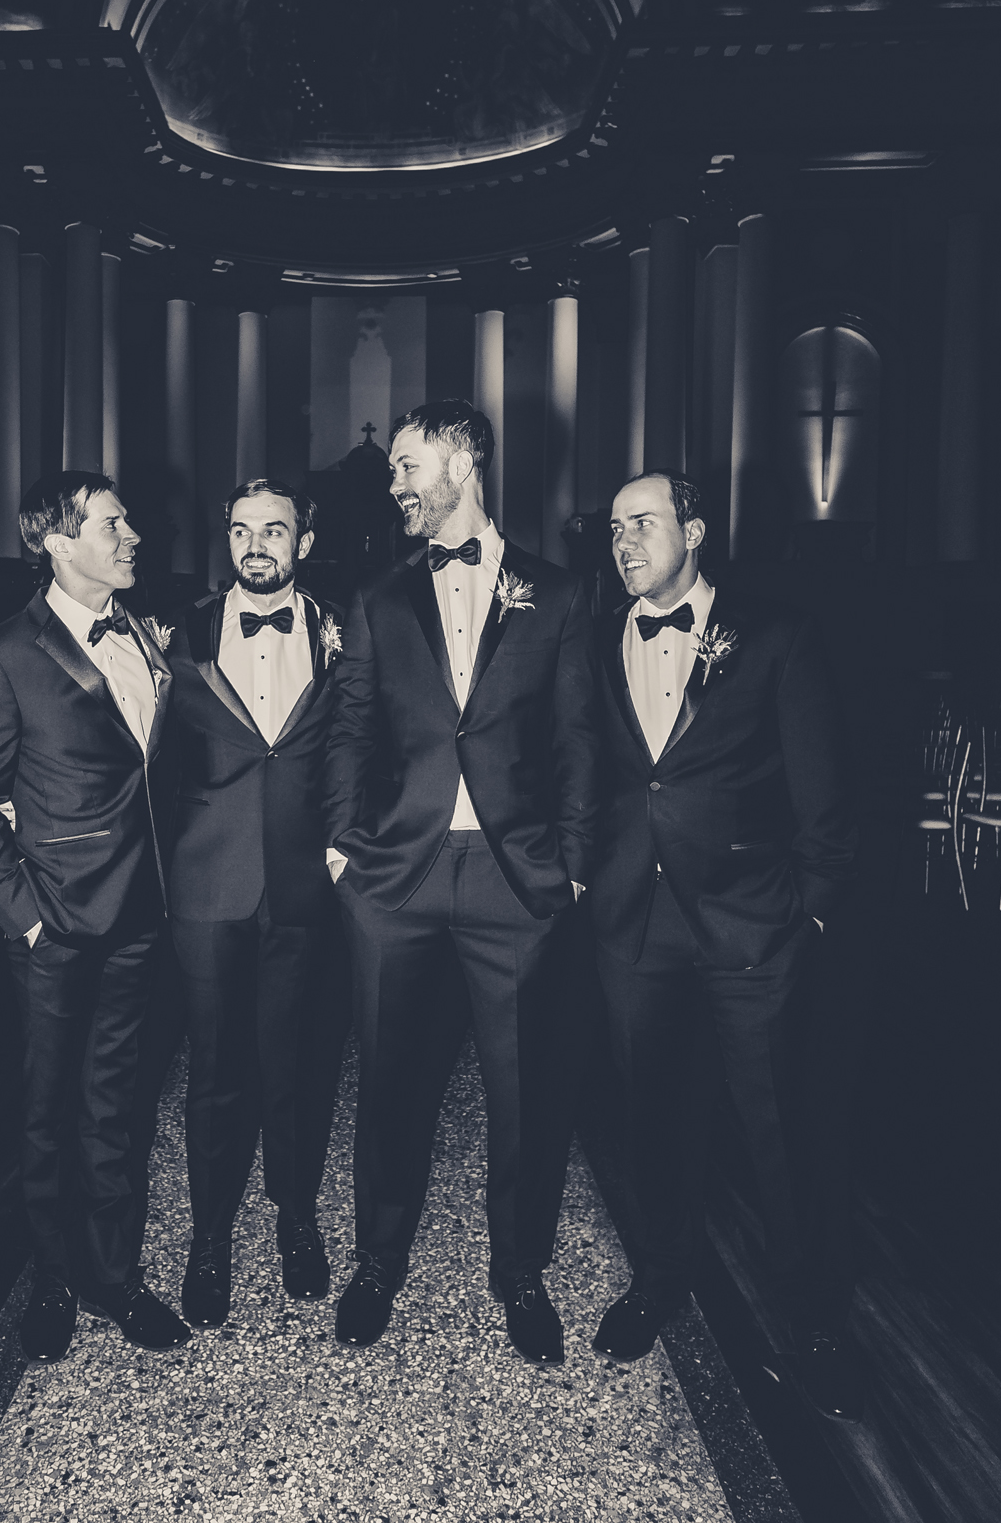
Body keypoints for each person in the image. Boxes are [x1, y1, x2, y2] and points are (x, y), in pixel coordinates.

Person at [323, 399, 597, 1363]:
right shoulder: (377, 594)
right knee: (387, 1082)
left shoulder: (558, 594)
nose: (394, 483)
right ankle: (376, 1264)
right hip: (395, 877)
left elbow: (577, 740)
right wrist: (341, 848)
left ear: (463, 463)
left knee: (525, 1092)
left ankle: (519, 1271)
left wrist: (570, 865)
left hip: (514, 882)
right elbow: (349, 730)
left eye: (408, 466)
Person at [589, 471, 862, 1418]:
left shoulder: (775, 637)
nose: (623, 541)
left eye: (643, 523)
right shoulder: (598, 639)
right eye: (614, 528)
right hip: (635, 925)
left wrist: (810, 913)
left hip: (752, 924)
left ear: (695, 531)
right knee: (650, 1118)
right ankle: (659, 1279)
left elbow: (824, 794)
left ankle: (814, 1321)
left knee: (778, 1131)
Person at [0, 471, 188, 1362]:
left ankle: (114, 1278)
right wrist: (27, 919)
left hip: (141, 917)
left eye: (127, 522)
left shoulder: (147, 637)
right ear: (56, 542)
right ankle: (52, 1280)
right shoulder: (2, 655)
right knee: (49, 1113)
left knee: (115, 1107)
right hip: (54, 925)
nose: (132, 537)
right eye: (111, 525)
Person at [165, 479, 350, 1327]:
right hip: (207, 883)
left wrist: (352, 846)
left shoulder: (345, 632)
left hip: (307, 883)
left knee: (299, 1064)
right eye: (241, 530)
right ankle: (208, 1240)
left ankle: (296, 1219)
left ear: (303, 542)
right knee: (214, 1069)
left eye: (273, 531)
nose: (255, 545)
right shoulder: (178, 632)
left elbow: (368, 744)